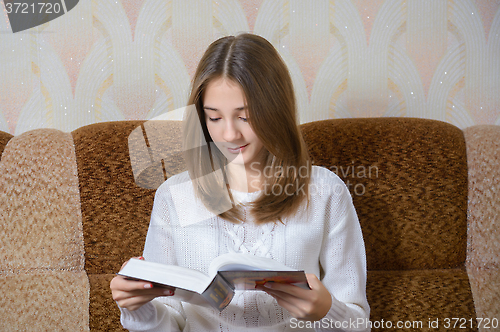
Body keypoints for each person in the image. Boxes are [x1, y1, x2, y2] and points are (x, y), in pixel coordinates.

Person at [110, 33, 370, 331]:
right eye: (214, 118)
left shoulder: (325, 191)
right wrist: (139, 308)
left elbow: (358, 323)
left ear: (275, 112)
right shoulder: (175, 195)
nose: (230, 135)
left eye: (245, 117)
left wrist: (327, 310)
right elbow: (171, 322)